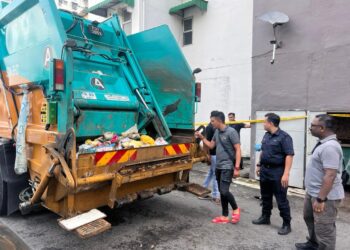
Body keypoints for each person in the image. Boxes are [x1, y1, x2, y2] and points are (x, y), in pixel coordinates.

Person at [295, 114, 344, 250]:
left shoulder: (330, 147)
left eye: (312, 125)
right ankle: (313, 243)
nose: (310, 128)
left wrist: (321, 199)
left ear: (322, 128)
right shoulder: (324, 144)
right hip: (313, 192)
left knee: (324, 228)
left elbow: (330, 175)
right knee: (309, 218)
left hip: (325, 197)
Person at [195, 111, 241, 224]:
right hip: (219, 166)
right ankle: (225, 216)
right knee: (221, 191)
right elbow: (211, 145)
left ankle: (235, 209)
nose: (211, 124)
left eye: (212, 121)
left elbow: (238, 150)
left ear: (219, 120)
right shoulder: (216, 132)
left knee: (224, 191)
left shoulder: (231, 132)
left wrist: (237, 168)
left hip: (228, 166)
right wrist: (201, 137)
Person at [253, 113, 294, 235]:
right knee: (265, 196)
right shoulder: (266, 135)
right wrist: (259, 165)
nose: (263, 124)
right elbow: (263, 151)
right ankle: (265, 217)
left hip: (278, 172)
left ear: (270, 123)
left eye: (264, 122)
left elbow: (289, 155)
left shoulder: (284, 137)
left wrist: (286, 174)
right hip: (265, 170)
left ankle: (287, 224)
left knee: (281, 199)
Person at [200, 111, 220, 204]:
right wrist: (206, 154)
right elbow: (205, 141)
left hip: (215, 154)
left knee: (212, 172)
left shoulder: (213, 127)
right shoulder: (209, 127)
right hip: (213, 154)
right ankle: (216, 195)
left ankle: (203, 189)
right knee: (216, 174)